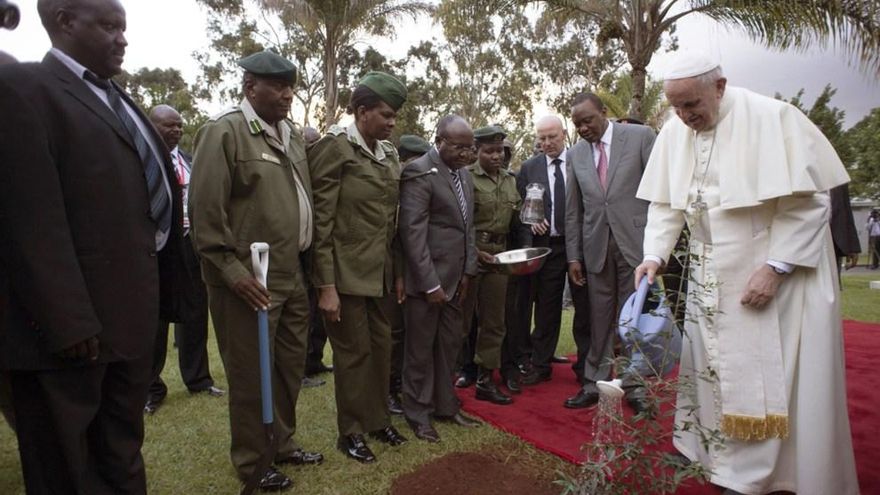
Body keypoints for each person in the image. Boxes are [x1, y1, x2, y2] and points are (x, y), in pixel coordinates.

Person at [634, 51, 858, 495]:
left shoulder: (772, 117)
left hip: (773, 271)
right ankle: (717, 455)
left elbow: (811, 203)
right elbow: (666, 204)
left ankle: (771, 471)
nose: (684, 116)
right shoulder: (677, 130)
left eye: (692, 105)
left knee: (773, 375)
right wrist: (654, 256)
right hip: (709, 271)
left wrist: (775, 268)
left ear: (719, 87)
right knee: (711, 367)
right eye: (676, 107)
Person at [0, 0, 185, 492]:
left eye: (123, 27)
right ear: (64, 22)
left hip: (128, 321)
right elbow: (30, 217)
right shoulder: (22, 90)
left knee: (120, 454)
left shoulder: (118, 98)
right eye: (108, 26)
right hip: (69, 336)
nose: (122, 38)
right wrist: (70, 321)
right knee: (67, 469)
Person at [189, 49, 322, 492]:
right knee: (250, 375)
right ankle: (252, 461)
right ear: (250, 88)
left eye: (291, 87)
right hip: (249, 281)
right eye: (278, 87)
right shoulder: (225, 131)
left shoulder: (291, 135)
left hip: (290, 273)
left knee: (287, 368)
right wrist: (232, 271)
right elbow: (205, 214)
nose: (288, 95)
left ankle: (281, 444)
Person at [307, 71, 410, 463]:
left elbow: (391, 222)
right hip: (344, 274)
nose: (392, 122)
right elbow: (322, 222)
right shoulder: (336, 147)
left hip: (379, 274)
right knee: (352, 355)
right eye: (385, 114)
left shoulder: (387, 153)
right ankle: (349, 432)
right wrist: (325, 286)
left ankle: (377, 419)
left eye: (394, 115)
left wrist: (397, 273)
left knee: (381, 350)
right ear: (362, 111)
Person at [563, 93, 656, 412]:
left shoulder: (641, 136)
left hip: (636, 246)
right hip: (595, 249)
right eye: (577, 124)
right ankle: (593, 382)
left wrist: (658, 247)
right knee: (598, 318)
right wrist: (573, 256)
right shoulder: (575, 154)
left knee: (632, 320)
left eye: (588, 120)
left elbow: (660, 195)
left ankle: (634, 387)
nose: (583, 128)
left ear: (605, 112)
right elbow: (573, 209)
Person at [399, 115, 481, 442]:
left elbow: (468, 228)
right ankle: (418, 414)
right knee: (419, 351)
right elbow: (412, 232)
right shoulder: (420, 171)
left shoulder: (465, 176)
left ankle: (446, 406)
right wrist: (430, 283)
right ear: (440, 141)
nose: (465, 154)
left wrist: (467, 272)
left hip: (456, 279)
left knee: (449, 347)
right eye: (459, 147)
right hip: (427, 283)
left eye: (469, 148)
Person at [145, 104, 224, 414]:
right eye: (169, 125)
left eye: (179, 125)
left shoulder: (190, 162)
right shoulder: (142, 159)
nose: (176, 130)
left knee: (194, 313)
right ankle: (151, 388)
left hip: (191, 246)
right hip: (158, 246)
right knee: (156, 319)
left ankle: (199, 379)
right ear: (151, 126)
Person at [516, 116, 590, 386]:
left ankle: (585, 367)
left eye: (552, 137)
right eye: (542, 138)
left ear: (564, 135)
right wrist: (531, 221)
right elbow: (521, 209)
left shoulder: (581, 162)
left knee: (584, 307)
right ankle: (540, 364)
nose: (546, 143)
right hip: (546, 248)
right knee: (546, 308)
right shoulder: (529, 168)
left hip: (578, 248)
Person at [458, 125, 522, 405]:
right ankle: (452, 373)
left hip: (499, 258)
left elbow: (518, 217)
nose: (496, 156)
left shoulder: (509, 180)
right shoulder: (466, 178)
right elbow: (460, 221)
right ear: (477, 151)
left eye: (500, 150)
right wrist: (474, 252)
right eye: (489, 151)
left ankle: (485, 379)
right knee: (460, 321)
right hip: (470, 257)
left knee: (494, 322)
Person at [386, 133, 432, 416]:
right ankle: (389, 389)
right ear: (402, 162)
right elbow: (395, 239)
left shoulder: (420, 188)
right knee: (393, 334)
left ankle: (405, 385)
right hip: (391, 271)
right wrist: (398, 275)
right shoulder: (392, 189)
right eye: (412, 162)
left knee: (410, 335)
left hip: (416, 272)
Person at [829, 184, 861, 275]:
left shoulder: (837, 174)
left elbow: (845, 208)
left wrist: (852, 246)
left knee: (832, 285)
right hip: (800, 241)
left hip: (833, 243)